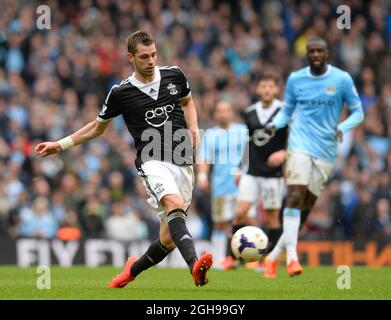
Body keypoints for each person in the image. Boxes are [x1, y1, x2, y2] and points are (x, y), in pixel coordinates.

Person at [34, 30, 213, 288]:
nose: (150, 61)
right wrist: (60, 145)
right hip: (152, 160)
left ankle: (131, 271)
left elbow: (188, 101)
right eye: (144, 57)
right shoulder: (121, 92)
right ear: (131, 57)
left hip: (182, 157)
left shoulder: (175, 74)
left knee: (168, 239)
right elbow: (97, 127)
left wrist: (194, 129)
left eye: (153, 55)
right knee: (173, 203)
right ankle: (195, 266)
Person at [264, 37, 365, 278]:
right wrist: (273, 124)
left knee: (304, 209)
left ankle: (271, 257)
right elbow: (287, 111)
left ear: (327, 53)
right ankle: (292, 259)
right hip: (299, 144)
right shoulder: (296, 79)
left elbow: (358, 112)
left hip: (326, 151)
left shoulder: (341, 79)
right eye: (312, 51)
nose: (316, 54)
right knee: (295, 197)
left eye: (320, 50)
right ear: (307, 54)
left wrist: (343, 126)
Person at [222, 73, 289, 271]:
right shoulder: (250, 113)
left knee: (271, 218)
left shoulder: (284, 111)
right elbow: (246, 143)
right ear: (258, 89)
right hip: (251, 172)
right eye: (263, 86)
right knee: (240, 213)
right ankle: (230, 257)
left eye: (270, 86)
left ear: (276, 89)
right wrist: (238, 168)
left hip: (273, 175)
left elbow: (295, 139)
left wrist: (284, 154)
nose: (267, 90)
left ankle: (270, 261)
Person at [197, 100, 247, 265]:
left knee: (244, 220)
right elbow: (204, 157)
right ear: (215, 114)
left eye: (226, 110)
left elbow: (251, 154)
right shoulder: (211, 135)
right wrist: (202, 176)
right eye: (219, 111)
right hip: (221, 185)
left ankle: (248, 258)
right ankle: (218, 258)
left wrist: (244, 170)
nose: (223, 114)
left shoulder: (243, 131)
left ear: (232, 113)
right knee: (220, 223)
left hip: (244, 185)